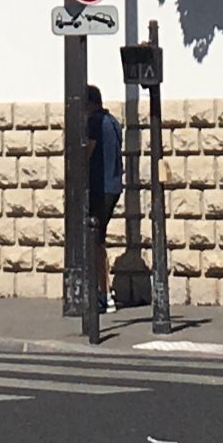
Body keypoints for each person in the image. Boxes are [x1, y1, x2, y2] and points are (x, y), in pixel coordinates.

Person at [83, 84, 122, 308]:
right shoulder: (113, 121)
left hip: (99, 187)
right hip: (114, 186)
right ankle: (104, 292)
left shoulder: (94, 122)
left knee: (95, 243)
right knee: (99, 242)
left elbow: (87, 150)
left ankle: (104, 295)